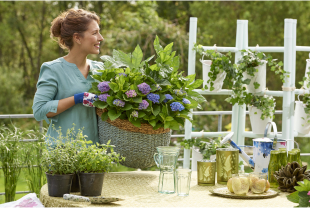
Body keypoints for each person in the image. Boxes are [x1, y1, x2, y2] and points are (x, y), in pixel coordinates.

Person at [32, 8, 104, 144]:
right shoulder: (53, 69)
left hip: (95, 154)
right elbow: (39, 110)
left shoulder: (101, 69)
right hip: (64, 155)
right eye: (95, 33)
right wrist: (77, 99)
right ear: (77, 38)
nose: (101, 38)